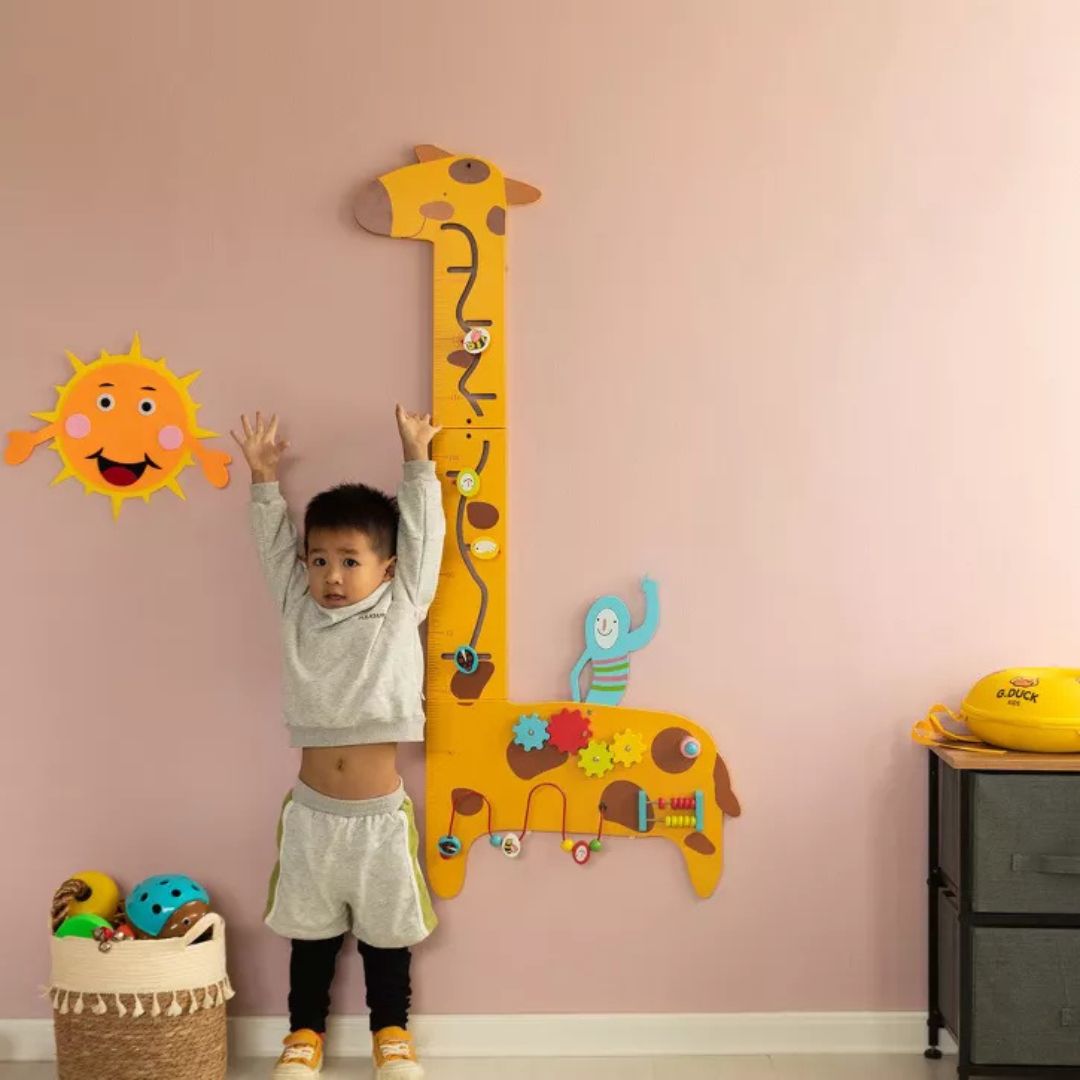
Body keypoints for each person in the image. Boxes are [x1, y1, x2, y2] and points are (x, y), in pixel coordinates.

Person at [232, 406, 445, 1079]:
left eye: (350, 561)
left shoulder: (401, 606)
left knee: (388, 937)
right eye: (320, 559)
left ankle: (392, 1036)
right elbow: (274, 551)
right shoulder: (298, 609)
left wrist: (417, 462)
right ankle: (303, 1036)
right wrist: (263, 480)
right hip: (312, 817)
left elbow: (426, 538)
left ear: (386, 567)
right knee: (311, 936)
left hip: (380, 820)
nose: (331, 575)